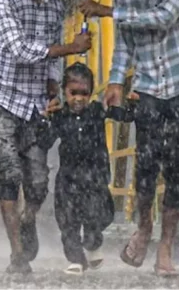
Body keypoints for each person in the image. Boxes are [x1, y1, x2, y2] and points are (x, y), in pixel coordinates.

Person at [78, 0, 179, 276]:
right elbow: (126, 40)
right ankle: (145, 227)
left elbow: (164, 16)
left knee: (176, 168)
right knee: (146, 166)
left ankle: (166, 248)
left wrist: (105, 10)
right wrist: (116, 79)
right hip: (148, 85)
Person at [0, 0, 93, 274]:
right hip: (0, 97)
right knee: (11, 172)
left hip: (33, 102)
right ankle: (17, 254)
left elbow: (51, 64)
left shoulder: (55, 7)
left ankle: (26, 219)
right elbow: (21, 50)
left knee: (39, 182)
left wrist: (55, 85)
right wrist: (72, 46)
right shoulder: (4, 1)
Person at [42, 63, 127, 275]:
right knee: (67, 220)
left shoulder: (97, 111)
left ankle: (93, 242)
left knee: (97, 215)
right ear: (64, 92)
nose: (78, 98)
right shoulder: (60, 116)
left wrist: (128, 105)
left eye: (84, 93)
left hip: (95, 177)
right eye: (73, 93)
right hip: (68, 179)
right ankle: (75, 259)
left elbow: (122, 116)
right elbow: (45, 140)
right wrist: (45, 119)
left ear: (91, 93)